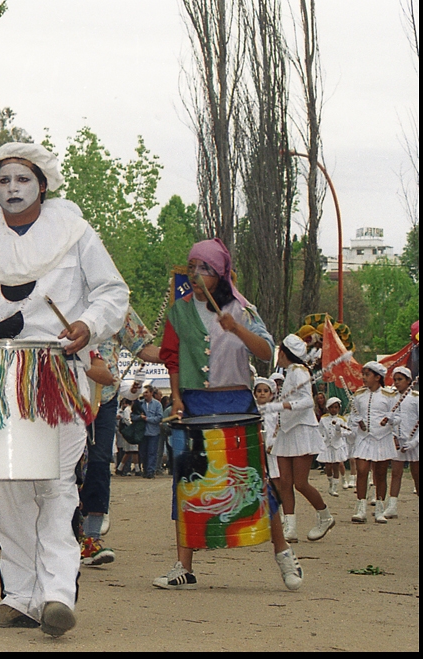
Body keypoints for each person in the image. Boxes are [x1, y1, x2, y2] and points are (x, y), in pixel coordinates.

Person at [0, 142, 128, 637]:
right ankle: (19, 598)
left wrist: (89, 325)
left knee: (54, 484)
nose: (12, 189)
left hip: (56, 376)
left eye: (22, 180)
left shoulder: (75, 232)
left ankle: (56, 596)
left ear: (42, 185)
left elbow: (113, 291)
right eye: (3, 181)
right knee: (7, 490)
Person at [154, 238, 302, 592]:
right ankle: (183, 567)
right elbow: (172, 359)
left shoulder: (242, 309)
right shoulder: (179, 311)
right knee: (187, 484)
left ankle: (283, 553)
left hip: (236, 403)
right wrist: (175, 398)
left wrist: (237, 329)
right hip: (194, 405)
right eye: (192, 267)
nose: (196, 274)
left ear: (220, 274)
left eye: (204, 267)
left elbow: (267, 351)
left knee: (251, 480)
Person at [78, 310, 160, 568]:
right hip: (64, 393)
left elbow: (146, 350)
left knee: (100, 463)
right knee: (65, 465)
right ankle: (58, 536)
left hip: (105, 397)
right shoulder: (62, 294)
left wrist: (182, 347)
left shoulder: (116, 308)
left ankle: (90, 539)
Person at [261, 334, 334, 542]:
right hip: (287, 430)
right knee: (285, 482)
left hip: (302, 430)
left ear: (283, 353)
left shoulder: (299, 372)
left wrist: (284, 406)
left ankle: (325, 515)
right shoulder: (290, 372)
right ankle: (290, 527)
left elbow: (307, 402)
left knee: (300, 483)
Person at [348, 362, 400, 524]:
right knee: (362, 470)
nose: (364, 378)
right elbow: (352, 415)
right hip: (364, 437)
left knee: (380, 473)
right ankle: (361, 508)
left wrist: (390, 419)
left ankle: (379, 508)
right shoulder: (358, 395)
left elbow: (397, 416)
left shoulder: (389, 395)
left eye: (367, 375)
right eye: (363, 374)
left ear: (378, 377)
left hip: (382, 438)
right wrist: (357, 421)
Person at [384, 366, 418, 518]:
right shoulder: (391, 398)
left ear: (409, 381)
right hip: (398, 441)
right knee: (396, 473)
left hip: (414, 442)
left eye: (400, 379)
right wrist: (394, 436)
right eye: (395, 380)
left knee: (416, 475)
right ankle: (392, 507)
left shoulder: (416, 398)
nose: (397, 383)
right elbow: (390, 421)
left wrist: (415, 442)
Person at [254, 378, 282, 498]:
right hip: (256, 449)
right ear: (254, 394)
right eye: (259, 390)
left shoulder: (276, 412)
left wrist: (274, 444)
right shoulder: (252, 411)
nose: (262, 393)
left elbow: (278, 429)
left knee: (275, 479)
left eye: (265, 391)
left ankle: (277, 505)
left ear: (271, 394)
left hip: (272, 450)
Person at [317, 397, 350, 497]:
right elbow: (320, 431)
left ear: (339, 408)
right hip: (327, 445)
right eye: (331, 407)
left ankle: (334, 487)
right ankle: (330, 482)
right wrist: (322, 439)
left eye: (336, 407)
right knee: (328, 466)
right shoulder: (323, 419)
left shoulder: (342, 419)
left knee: (336, 465)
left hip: (337, 445)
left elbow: (347, 432)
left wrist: (339, 431)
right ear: (328, 408)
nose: (333, 410)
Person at [139, 383, 163, 479]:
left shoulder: (157, 404)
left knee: (152, 452)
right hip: (142, 433)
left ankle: (150, 471)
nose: (145, 394)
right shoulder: (140, 404)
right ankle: (145, 469)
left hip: (153, 432)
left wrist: (147, 419)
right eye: (144, 393)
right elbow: (134, 415)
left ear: (151, 393)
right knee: (143, 452)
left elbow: (159, 417)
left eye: (147, 392)